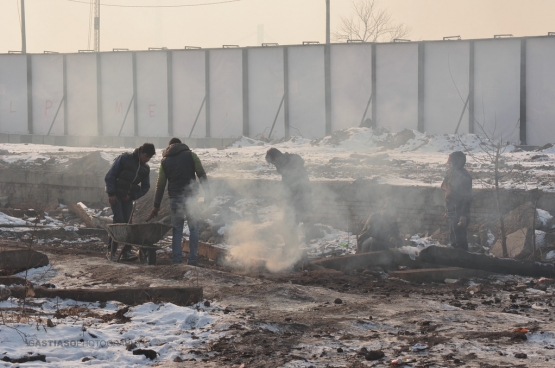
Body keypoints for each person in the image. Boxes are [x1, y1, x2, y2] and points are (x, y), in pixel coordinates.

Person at [146, 138, 209, 266]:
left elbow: (160, 184)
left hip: (175, 198)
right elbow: (201, 174)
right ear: (181, 145)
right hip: (191, 197)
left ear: (169, 147)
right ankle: (192, 260)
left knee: (177, 230)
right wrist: (207, 193)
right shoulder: (191, 156)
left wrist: (156, 206)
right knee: (194, 229)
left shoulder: (164, 161)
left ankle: (177, 261)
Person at [105, 142, 155, 261]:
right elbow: (110, 176)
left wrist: (133, 196)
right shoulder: (125, 158)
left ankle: (126, 252)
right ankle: (110, 251)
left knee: (128, 223)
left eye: (149, 158)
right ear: (141, 152)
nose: (147, 159)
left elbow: (146, 186)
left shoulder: (145, 168)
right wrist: (111, 193)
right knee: (118, 221)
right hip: (116, 195)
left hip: (127, 198)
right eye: (146, 156)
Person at [265, 148, 312, 248]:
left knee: (289, 224)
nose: (274, 165)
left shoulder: (290, 165)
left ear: (276, 158)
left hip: (299, 200)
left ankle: (293, 250)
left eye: (273, 162)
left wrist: (290, 197)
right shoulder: (286, 164)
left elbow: (298, 185)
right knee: (288, 225)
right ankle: (292, 248)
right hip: (294, 200)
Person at [441, 151, 473, 251]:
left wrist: (463, 215)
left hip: (460, 213)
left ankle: (464, 263)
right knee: (453, 240)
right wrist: (447, 210)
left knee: (460, 242)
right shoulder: (450, 176)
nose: (449, 166)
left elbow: (467, 198)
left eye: (450, 163)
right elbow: (448, 194)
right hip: (452, 213)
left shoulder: (465, 177)